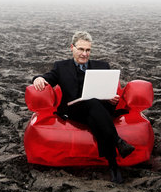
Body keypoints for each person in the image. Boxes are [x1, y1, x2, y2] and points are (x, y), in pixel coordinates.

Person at [33, 31, 134, 183]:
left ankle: (113, 165)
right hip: (74, 110)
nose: (84, 53)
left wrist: (111, 98)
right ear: (72, 47)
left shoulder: (103, 66)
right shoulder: (61, 67)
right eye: (81, 49)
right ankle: (117, 145)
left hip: (98, 109)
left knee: (94, 114)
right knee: (91, 103)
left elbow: (109, 92)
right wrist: (38, 78)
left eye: (88, 50)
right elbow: (48, 78)